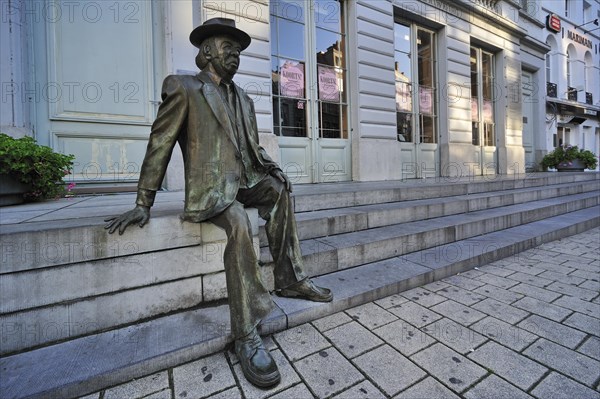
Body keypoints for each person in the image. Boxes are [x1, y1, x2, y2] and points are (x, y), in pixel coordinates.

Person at [104, 18, 332, 388]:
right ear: (207, 51)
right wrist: (143, 201)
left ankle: (290, 280)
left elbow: (252, 147)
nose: (236, 55)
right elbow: (160, 143)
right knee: (241, 221)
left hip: (244, 180)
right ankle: (246, 333)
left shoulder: (243, 97)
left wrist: (274, 170)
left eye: (239, 50)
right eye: (228, 47)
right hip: (211, 190)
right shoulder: (184, 87)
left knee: (278, 189)